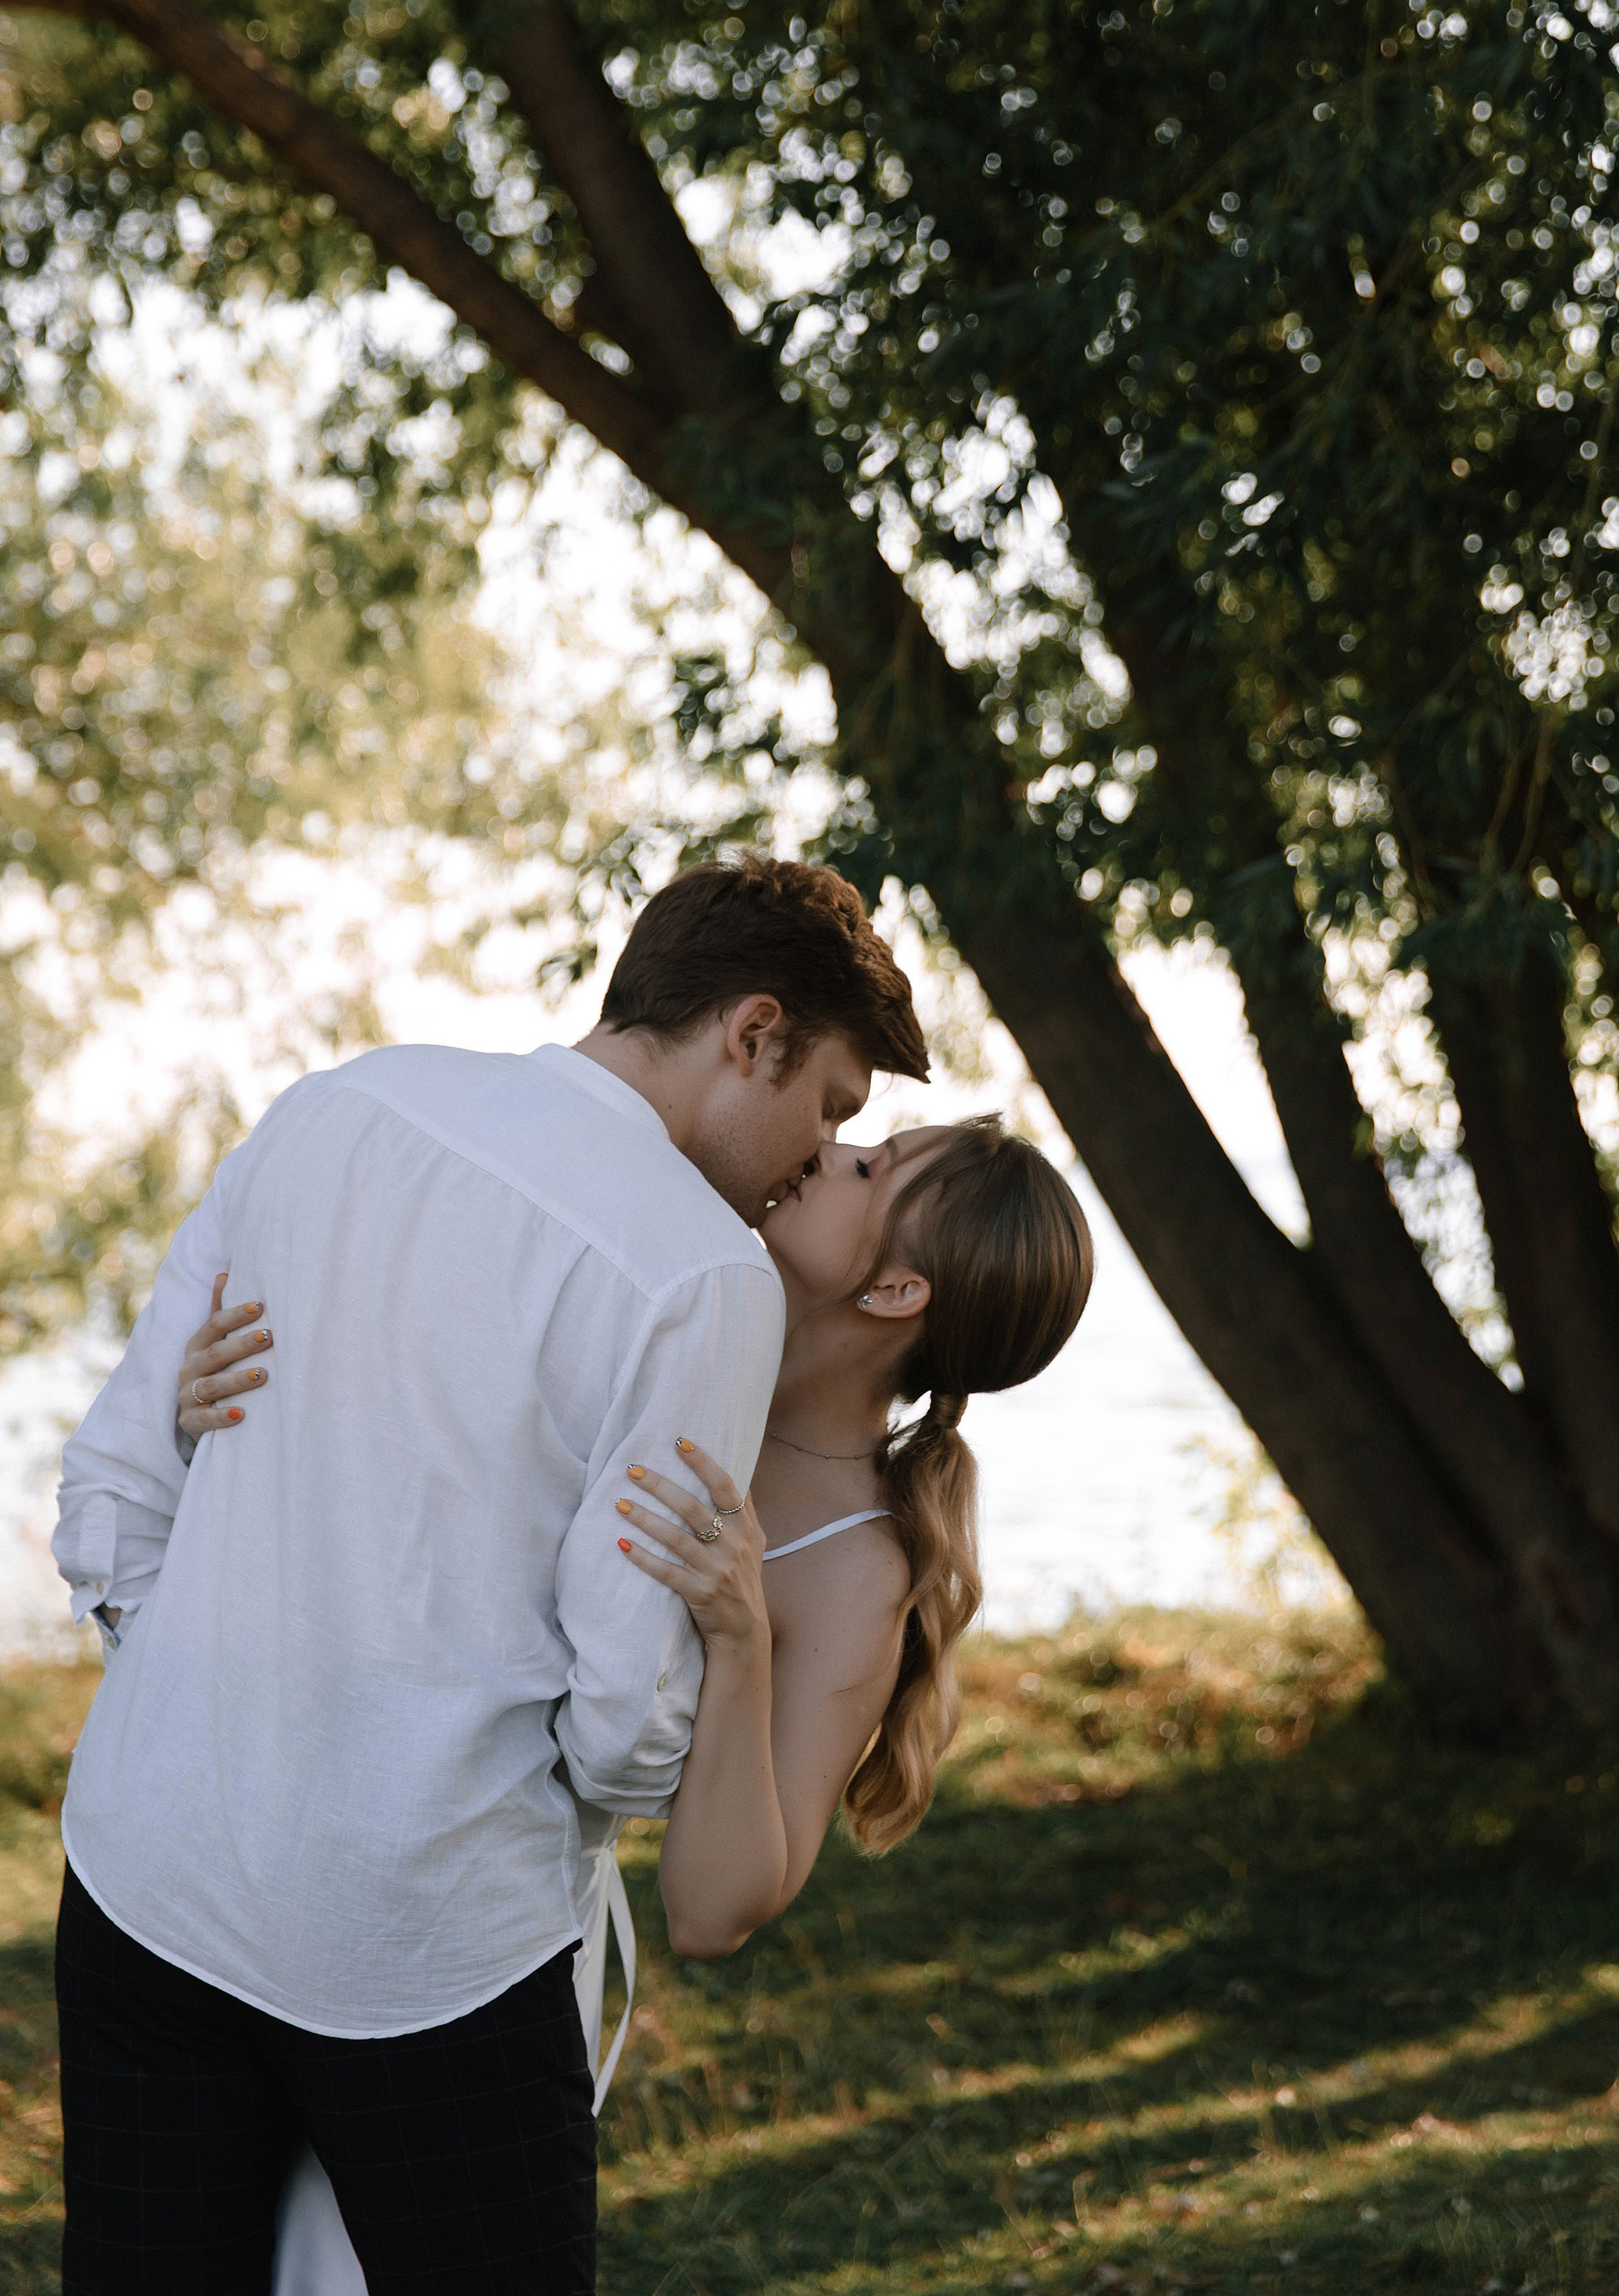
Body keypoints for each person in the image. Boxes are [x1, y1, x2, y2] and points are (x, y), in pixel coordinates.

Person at [49, 856, 929, 2296]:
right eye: (829, 1104)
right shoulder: (705, 1275)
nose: (813, 1152)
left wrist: (201, 1673)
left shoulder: (338, 1106)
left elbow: (114, 1498)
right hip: (429, 1948)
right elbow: (627, 1728)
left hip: (152, 1875)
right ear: (752, 1034)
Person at [174, 1108, 1094, 2293]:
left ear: (897, 1292)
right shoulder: (666, 1319)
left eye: (870, 1167)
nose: (826, 1147)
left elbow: (715, 1909)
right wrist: (213, 1415)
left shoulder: (861, 1563)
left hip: (471, 1941)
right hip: (266, 1840)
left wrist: (741, 1632)